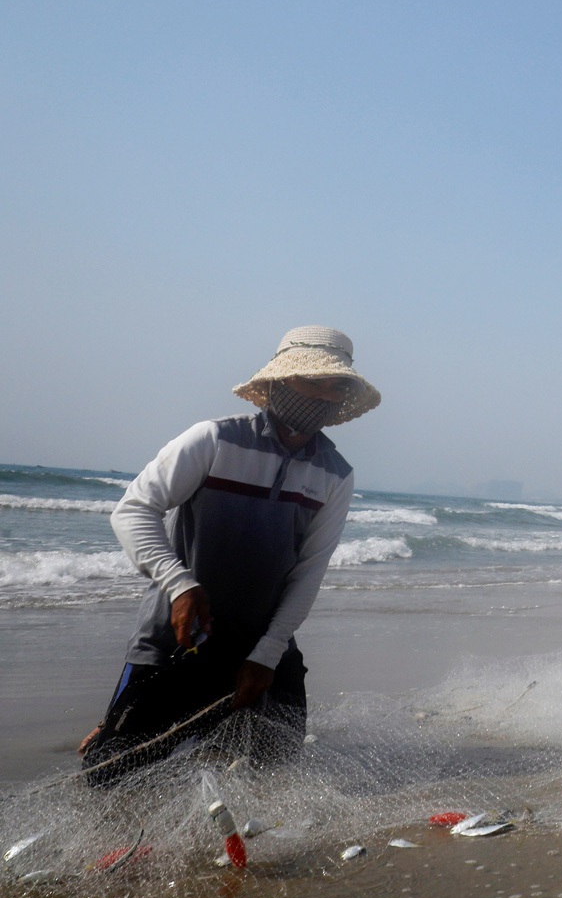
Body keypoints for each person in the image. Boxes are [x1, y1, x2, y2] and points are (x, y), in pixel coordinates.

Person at [80, 326, 379, 785]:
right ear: (279, 381)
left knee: (274, 770)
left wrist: (268, 653)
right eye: (310, 380)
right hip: (179, 637)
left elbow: (309, 571)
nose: (323, 395)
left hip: (263, 640)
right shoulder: (215, 440)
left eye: (335, 385)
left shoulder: (335, 474)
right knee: (108, 776)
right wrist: (180, 585)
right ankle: (115, 721)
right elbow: (134, 510)